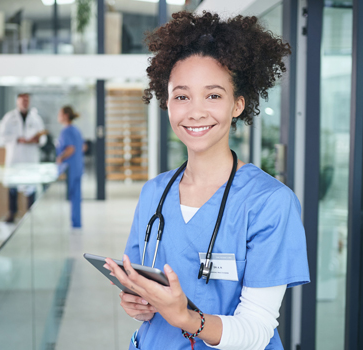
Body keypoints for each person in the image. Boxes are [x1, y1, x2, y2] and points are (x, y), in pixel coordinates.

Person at [104, 12, 310, 350]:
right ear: (166, 103)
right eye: (181, 96)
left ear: (238, 105)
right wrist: (138, 304)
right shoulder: (153, 194)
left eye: (213, 95)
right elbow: (142, 286)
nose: (195, 111)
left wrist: (184, 317)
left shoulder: (270, 202)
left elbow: (257, 331)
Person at [0, 93, 46, 223]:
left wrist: (36, 140)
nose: (25, 103)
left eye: (27, 100)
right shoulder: (9, 117)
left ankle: (31, 214)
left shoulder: (36, 118)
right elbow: (2, 137)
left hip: (30, 158)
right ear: (17, 102)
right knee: (13, 187)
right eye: (22, 101)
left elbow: (43, 138)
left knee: (31, 187)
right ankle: (12, 213)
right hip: (15, 157)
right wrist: (17, 139)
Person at [56, 105, 84, 228]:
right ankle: (76, 223)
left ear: (65, 116)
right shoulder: (76, 130)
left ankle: (74, 222)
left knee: (72, 196)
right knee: (76, 197)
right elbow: (83, 147)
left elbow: (71, 148)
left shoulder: (66, 131)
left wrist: (60, 157)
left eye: (60, 114)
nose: (58, 117)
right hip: (78, 166)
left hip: (71, 167)